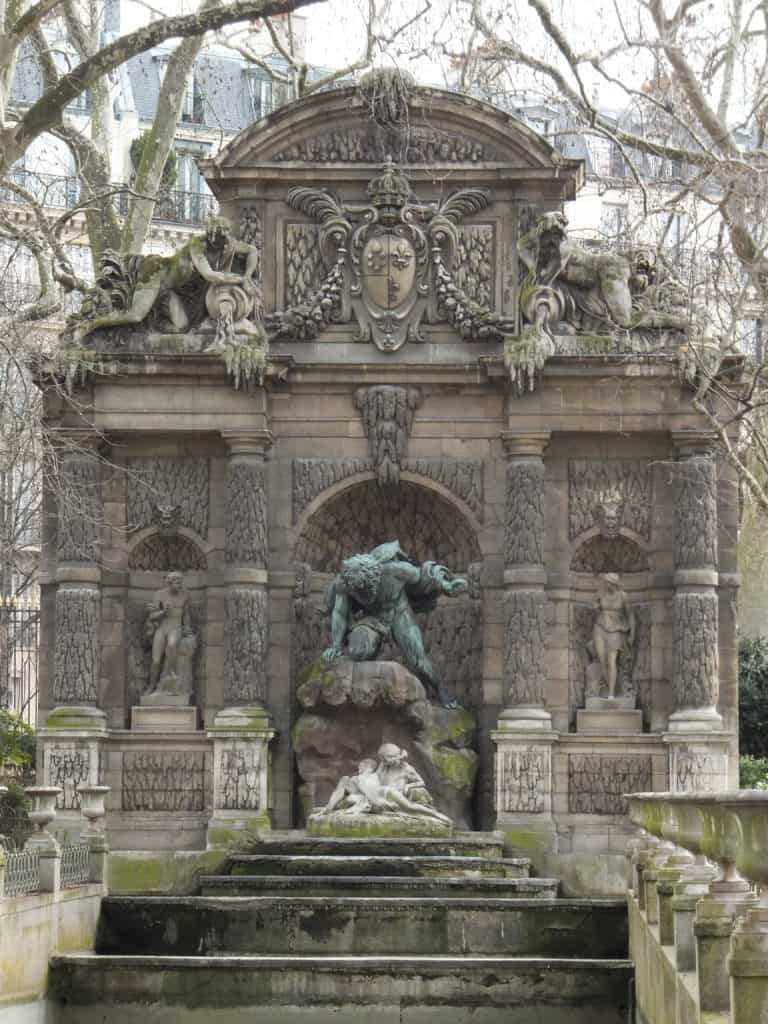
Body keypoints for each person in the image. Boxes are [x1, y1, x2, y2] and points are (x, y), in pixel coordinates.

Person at [322, 541, 466, 707]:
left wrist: (445, 585)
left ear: (371, 577)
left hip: (399, 612)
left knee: (418, 661)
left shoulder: (396, 570)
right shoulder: (345, 583)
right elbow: (339, 613)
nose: (357, 591)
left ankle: (441, 690)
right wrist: (336, 645)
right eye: (354, 588)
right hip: (371, 618)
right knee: (357, 652)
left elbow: (422, 577)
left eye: (360, 587)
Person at [144, 571, 194, 693]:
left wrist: (187, 627)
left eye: (180, 582)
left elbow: (186, 614)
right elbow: (152, 616)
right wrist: (163, 612)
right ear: (170, 583)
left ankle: (170, 672)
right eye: (177, 582)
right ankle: (152, 686)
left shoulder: (185, 595)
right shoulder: (159, 594)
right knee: (156, 661)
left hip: (176, 627)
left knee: (171, 645)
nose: (179, 585)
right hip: (162, 628)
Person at [592, 572, 636, 699]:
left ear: (613, 584)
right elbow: (593, 606)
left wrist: (632, 634)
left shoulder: (623, 596)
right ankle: (610, 686)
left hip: (616, 629)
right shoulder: (600, 593)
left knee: (611, 661)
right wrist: (595, 606)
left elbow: (630, 615)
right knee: (601, 659)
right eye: (604, 582)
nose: (605, 584)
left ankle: (611, 692)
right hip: (600, 626)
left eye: (607, 582)